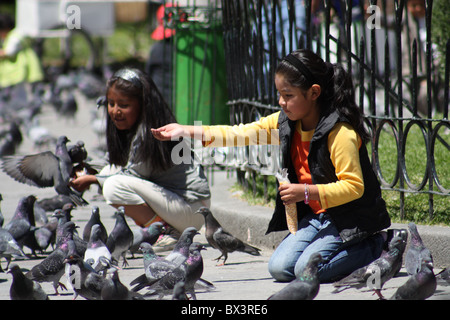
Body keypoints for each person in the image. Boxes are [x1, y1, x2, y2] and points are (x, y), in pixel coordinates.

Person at [152, 48, 400, 283]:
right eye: (279, 94)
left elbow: (354, 187)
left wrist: (305, 192)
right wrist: (185, 130)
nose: (281, 102)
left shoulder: (340, 132)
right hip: (316, 218)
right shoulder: (286, 123)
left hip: (349, 219)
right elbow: (240, 134)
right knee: (279, 268)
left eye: (288, 95)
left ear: (314, 93)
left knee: (307, 270)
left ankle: (378, 244)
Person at [70, 67, 211, 247]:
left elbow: (131, 175)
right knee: (109, 172)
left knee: (112, 187)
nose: (115, 111)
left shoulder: (150, 133)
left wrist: (92, 179)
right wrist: (86, 168)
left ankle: (166, 232)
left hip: (193, 207)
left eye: (124, 105)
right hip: (180, 203)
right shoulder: (135, 126)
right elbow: (114, 163)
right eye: (111, 103)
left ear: (143, 104)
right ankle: (162, 227)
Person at [0, 13, 43, 89]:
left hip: (20, 70)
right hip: (20, 72)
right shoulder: (15, 35)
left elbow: (9, 52)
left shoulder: (14, 37)